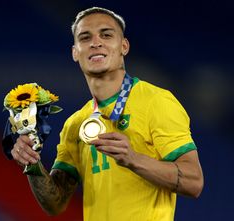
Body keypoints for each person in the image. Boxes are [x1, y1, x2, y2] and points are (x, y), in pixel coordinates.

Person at [11, 6, 204, 221]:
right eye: (85, 38)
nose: (95, 42)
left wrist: (133, 159)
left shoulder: (156, 101)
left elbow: (194, 182)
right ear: (75, 52)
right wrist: (32, 165)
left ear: (124, 46)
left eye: (106, 34)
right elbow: (56, 203)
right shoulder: (76, 124)